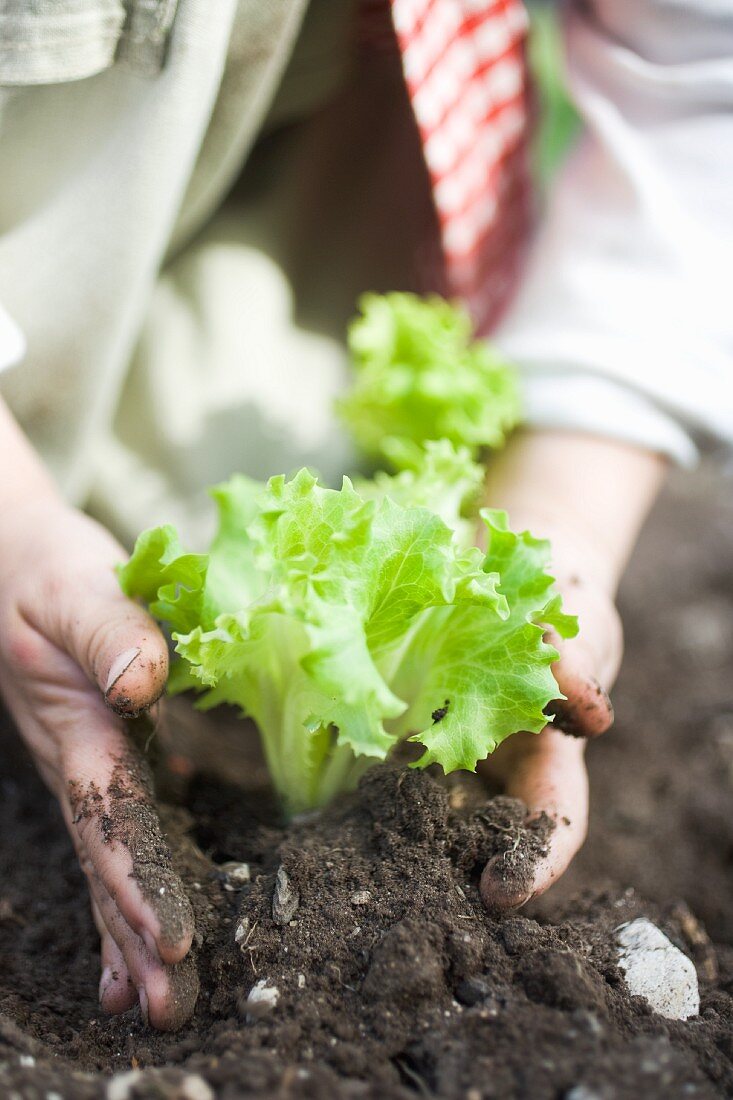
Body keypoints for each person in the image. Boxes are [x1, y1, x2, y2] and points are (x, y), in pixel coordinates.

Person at [0, 0, 730, 1031]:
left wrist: (557, 513)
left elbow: (695, 84)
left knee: (265, 463)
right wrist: (15, 519)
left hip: (310, 137)